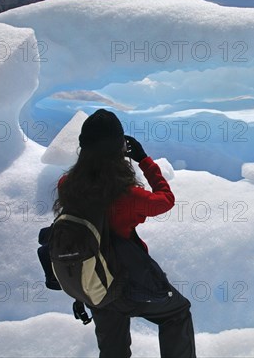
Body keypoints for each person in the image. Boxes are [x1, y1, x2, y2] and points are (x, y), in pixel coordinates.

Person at [53, 109, 196, 358]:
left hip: (94, 282)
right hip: (127, 283)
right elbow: (165, 200)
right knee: (177, 312)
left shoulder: (67, 184)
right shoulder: (127, 195)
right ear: (120, 149)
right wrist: (144, 160)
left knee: (113, 351)